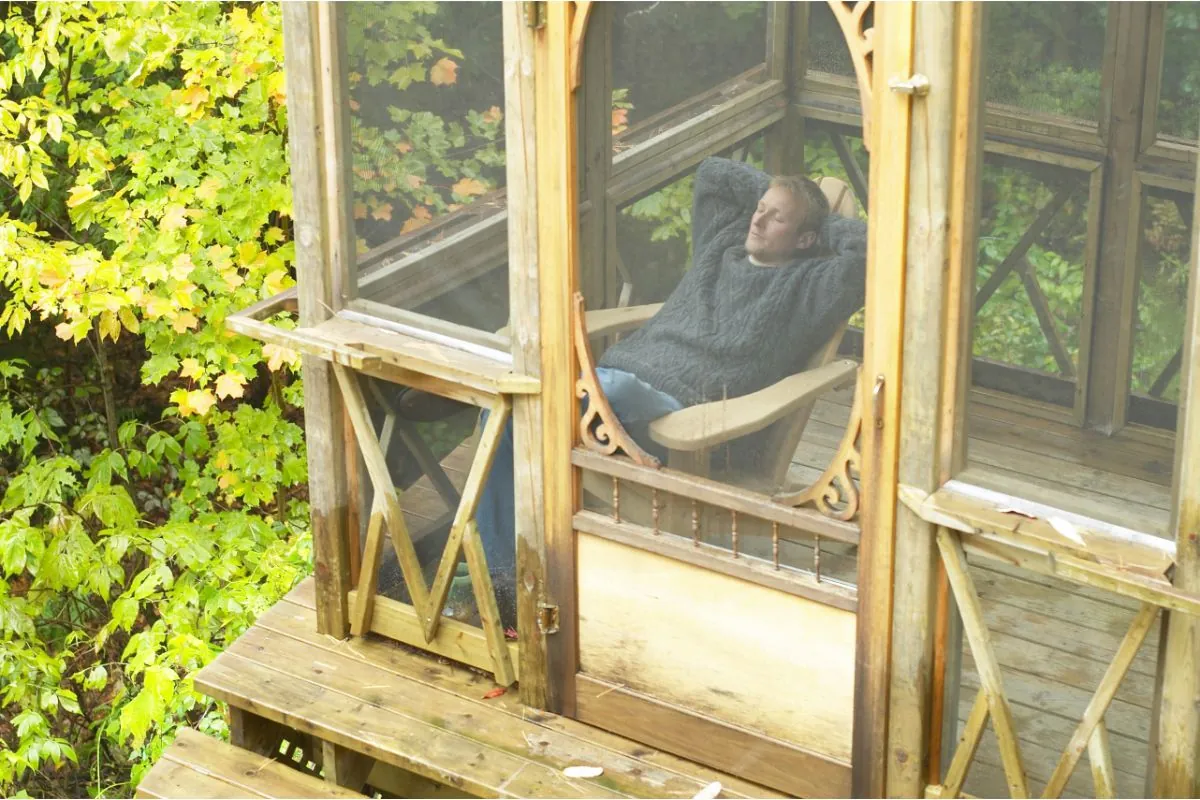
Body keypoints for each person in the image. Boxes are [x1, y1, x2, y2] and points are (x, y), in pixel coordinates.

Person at [468, 156, 867, 627]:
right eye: (759, 208)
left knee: (533, 404)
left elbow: (870, 254)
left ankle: (503, 583)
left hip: (680, 413)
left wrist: (822, 222)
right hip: (613, 385)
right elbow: (713, 173)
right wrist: (781, 194)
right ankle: (506, 578)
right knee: (509, 414)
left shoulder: (809, 285)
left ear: (805, 240)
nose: (757, 218)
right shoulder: (721, 243)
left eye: (775, 217)